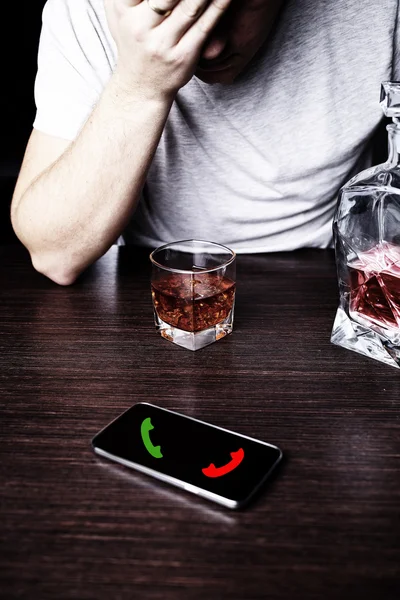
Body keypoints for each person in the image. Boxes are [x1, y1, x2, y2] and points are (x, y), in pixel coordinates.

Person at [10, 0, 400, 285]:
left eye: (243, 6)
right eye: (176, 10)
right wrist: (141, 85)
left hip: (330, 278)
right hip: (150, 279)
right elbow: (56, 255)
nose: (209, 48)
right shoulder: (88, 8)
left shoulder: (377, 10)